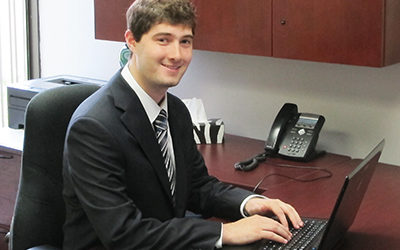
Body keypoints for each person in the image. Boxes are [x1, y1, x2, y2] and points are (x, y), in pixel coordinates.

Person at [62, 0, 304, 249]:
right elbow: (124, 234)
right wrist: (224, 232)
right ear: (132, 41)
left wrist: (249, 203)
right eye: (163, 40)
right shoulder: (94, 127)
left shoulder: (175, 111)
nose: (176, 55)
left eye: (185, 41)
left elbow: (197, 187)